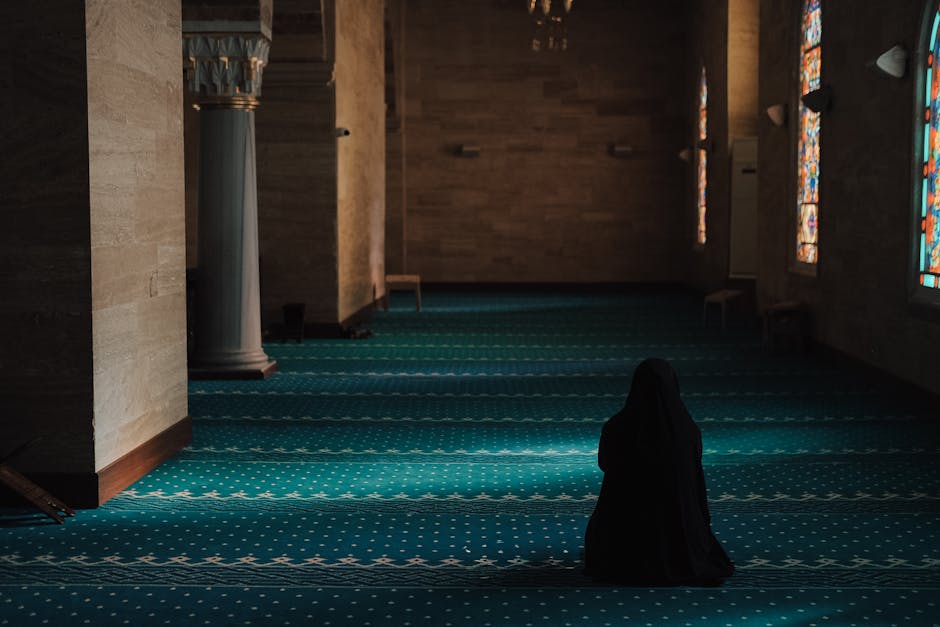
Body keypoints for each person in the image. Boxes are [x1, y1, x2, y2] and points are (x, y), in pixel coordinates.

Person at [583, 358, 734, 585]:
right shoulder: (687, 431)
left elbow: (604, 464)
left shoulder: (617, 427)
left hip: (626, 534)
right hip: (679, 534)